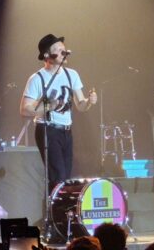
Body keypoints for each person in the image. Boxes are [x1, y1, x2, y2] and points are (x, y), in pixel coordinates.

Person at [20, 34, 97, 188]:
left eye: (64, 49)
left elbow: (80, 105)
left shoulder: (72, 74)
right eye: (59, 50)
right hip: (48, 130)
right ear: (47, 56)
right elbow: (25, 109)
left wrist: (89, 102)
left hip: (66, 131)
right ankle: (53, 210)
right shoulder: (37, 78)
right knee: (58, 176)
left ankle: (58, 209)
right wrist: (48, 106)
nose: (64, 52)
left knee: (65, 177)